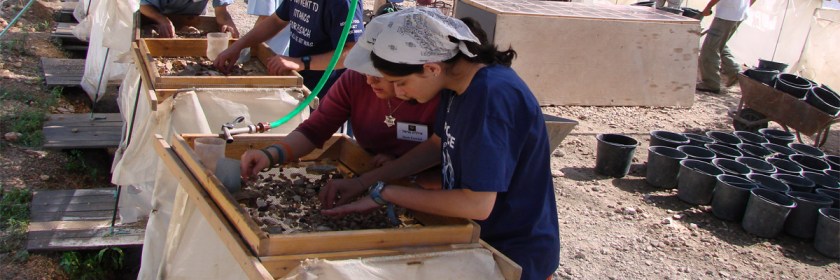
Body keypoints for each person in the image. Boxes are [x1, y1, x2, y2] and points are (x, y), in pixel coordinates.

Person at [319, 8, 560, 280]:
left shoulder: (490, 96)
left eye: (401, 82)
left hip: (511, 252)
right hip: (472, 237)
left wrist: (386, 194)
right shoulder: (456, 84)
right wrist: (364, 182)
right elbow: (436, 145)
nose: (399, 93)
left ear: (431, 68)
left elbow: (477, 204)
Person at [239, 68, 441, 181]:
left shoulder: (439, 95)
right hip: (369, 173)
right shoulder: (355, 79)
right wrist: (270, 155)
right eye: (365, 70)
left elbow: (442, 153)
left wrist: (399, 168)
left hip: (426, 186)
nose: (369, 80)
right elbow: (315, 129)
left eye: (380, 72)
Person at [214, 0, 365, 98]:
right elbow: (276, 20)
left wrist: (300, 62)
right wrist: (239, 45)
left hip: (330, 92)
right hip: (301, 83)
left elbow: (353, 52)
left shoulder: (342, 3)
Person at [696, 0, 755, 94]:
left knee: (710, 49)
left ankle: (711, 83)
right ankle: (734, 71)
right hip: (738, 13)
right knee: (719, 44)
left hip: (727, 14)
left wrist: (708, 7)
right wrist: (744, 7)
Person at [140, 0, 240, 38]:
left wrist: (228, 26)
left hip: (194, 19)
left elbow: (221, 12)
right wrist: (161, 19)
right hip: (156, 15)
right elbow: (142, 5)